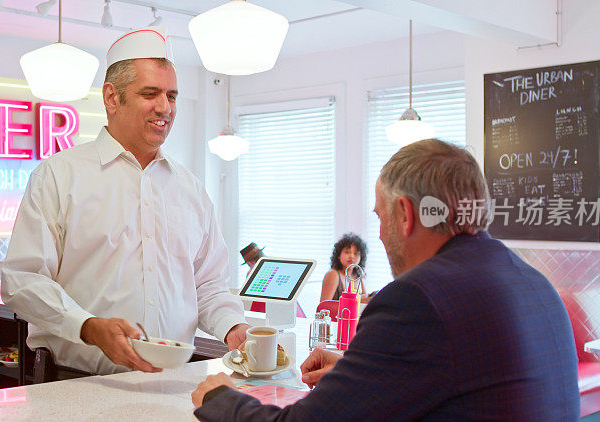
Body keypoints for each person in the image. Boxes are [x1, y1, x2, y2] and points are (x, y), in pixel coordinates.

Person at [191, 139, 579, 421]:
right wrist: (360, 369)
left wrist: (222, 399)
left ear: (406, 215)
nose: (377, 234)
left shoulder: (417, 297)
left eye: (380, 217)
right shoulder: (535, 284)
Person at [0, 26, 248, 375]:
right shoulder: (59, 175)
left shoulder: (190, 189)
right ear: (112, 98)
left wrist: (233, 326)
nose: (165, 107)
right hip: (77, 386)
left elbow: (208, 285)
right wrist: (86, 326)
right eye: (151, 93)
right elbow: (22, 280)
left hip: (172, 386)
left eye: (172, 95)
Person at [319, 233, 368, 303]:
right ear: (339, 255)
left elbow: (364, 301)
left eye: (356, 253)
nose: (351, 256)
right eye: (347, 252)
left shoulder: (358, 276)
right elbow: (323, 307)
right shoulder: (333, 274)